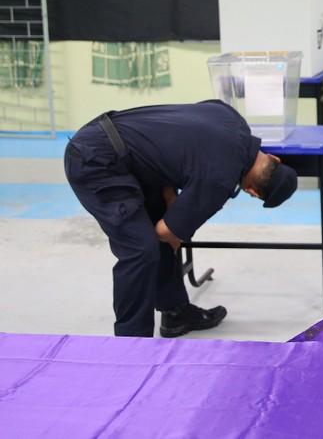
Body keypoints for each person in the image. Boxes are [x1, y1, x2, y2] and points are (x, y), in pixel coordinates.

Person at [64, 100, 298, 338]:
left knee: (160, 226)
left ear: (273, 158)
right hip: (96, 163)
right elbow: (165, 232)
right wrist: (176, 230)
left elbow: (172, 145)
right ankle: (130, 343)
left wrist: (171, 207)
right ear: (253, 192)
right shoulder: (220, 181)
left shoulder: (232, 118)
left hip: (114, 141)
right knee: (141, 250)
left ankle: (175, 313)